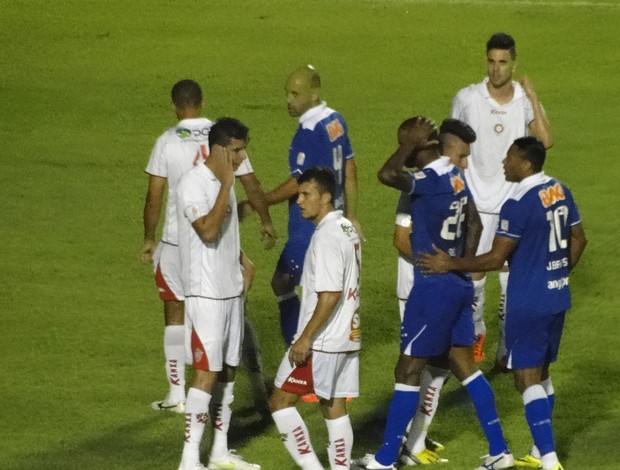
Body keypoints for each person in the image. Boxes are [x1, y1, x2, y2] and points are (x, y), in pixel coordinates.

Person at [420, 137, 587, 470]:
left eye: (509, 157)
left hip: (529, 301)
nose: (503, 162)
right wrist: (557, 271)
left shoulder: (519, 204)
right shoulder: (560, 190)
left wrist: (449, 264)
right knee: (540, 373)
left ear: (525, 163)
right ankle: (540, 453)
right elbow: (579, 239)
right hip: (556, 296)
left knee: (525, 378)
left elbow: (495, 259)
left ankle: (550, 460)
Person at [357, 117, 512, 470]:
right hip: (457, 285)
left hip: (433, 289)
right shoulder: (457, 176)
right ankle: (500, 449)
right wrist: (462, 264)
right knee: (465, 366)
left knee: (408, 368)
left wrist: (408, 144)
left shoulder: (430, 179)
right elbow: (475, 221)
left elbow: (386, 175)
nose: (410, 151)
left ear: (428, 145)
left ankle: (384, 460)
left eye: (414, 144)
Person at [140, 79, 274, 414]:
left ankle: (177, 394)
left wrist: (148, 237)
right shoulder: (225, 140)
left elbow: (155, 194)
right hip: (220, 242)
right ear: (202, 101)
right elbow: (252, 183)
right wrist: (266, 220)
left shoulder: (167, 142)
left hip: (176, 242)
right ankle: (258, 389)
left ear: (174, 105)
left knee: (174, 314)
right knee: (234, 313)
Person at [241, 65, 361, 352]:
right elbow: (350, 167)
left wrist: (258, 203)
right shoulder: (336, 120)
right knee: (320, 290)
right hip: (336, 218)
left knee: (288, 284)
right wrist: (352, 216)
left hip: (310, 227)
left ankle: (299, 353)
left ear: (314, 94)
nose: (289, 100)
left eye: (296, 94)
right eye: (287, 93)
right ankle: (312, 351)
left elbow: (298, 184)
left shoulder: (309, 132)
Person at [451, 32, 553, 367]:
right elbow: (452, 146)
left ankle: (506, 346)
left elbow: (546, 140)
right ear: (487, 62)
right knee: (477, 276)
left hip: (513, 202)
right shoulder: (468, 98)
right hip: (477, 202)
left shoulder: (523, 100)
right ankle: (478, 335)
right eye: (491, 62)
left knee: (511, 277)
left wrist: (533, 97)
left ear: (513, 62)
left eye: (503, 63)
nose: (496, 70)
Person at [176, 118, 260, 470]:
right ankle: (189, 458)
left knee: (228, 370)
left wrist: (243, 260)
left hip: (230, 290)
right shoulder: (193, 183)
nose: (243, 157)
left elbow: (225, 231)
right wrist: (227, 184)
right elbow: (208, 231)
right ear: (222, 149)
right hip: (205, 293)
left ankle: (219, 452)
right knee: (206, 373)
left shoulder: (225, 183)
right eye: (238, 150)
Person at [393, 118, 478, 466]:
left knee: (439, 368)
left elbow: (473, 221)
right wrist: (436, 265)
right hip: (417, 287)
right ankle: (403, 444)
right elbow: (400, 239)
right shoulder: (412, 188)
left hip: (440, 286)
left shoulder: (446, 179)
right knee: (416, 367)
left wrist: (456, 266)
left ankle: (415, 438)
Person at [269, 167, 361, 470]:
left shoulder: (326, 237)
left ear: (325, 197)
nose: (298, 200)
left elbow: (330, 293)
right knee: (333, 407)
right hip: (347, 335)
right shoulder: (347, 227)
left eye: (306, 194)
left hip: (322, 341)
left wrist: (306, 337)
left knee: (280, 403)